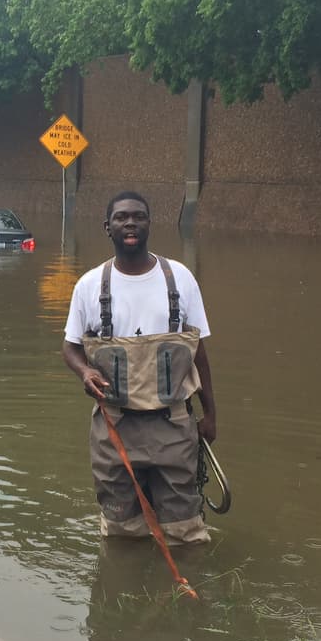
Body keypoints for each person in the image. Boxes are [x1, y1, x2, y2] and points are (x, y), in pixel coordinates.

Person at [62, 191, 217, 544]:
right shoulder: (88, 285)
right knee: (121, 533)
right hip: (114, 428)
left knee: (186, 534)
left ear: (149, 224)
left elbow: (199, 353)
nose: (130, 222)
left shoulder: (180, 278)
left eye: (138, 216)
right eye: (121, 217)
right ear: (108, 227)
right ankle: (124, 590)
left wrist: (210, 415)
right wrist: (84, 372)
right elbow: (70, 347)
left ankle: (183, 589)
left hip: (174, 425)